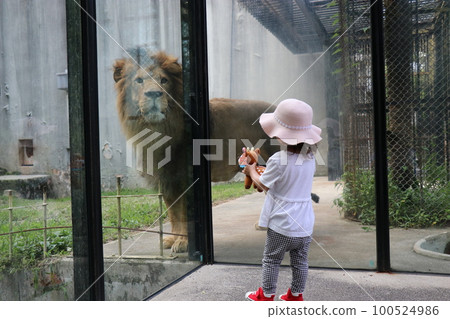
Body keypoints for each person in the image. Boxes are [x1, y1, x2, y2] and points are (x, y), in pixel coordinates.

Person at [243, 98, 322, 301]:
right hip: (305, 223)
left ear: (281, 136)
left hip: (282, 223)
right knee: (300, 261)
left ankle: (266, 295)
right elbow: (288, 178)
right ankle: (296, 295)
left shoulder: (278, 160)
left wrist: (251, 169)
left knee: (271, 259)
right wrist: (262, 170)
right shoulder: (310, 159)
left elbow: (262, 184)